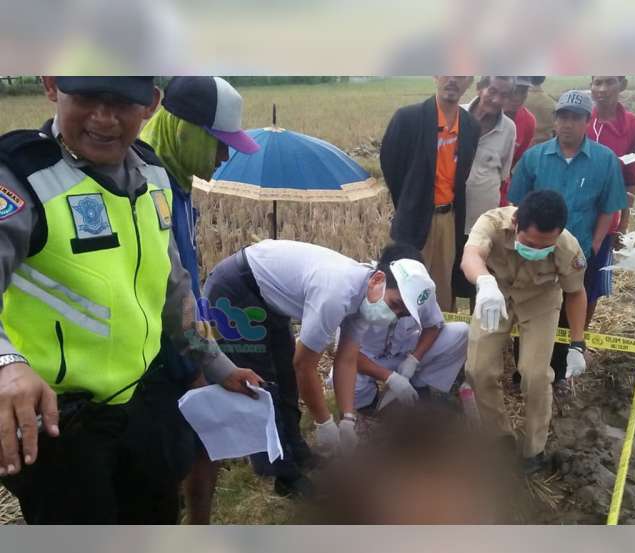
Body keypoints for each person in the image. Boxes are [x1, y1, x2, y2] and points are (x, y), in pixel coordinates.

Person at [0, 76, 261, 524]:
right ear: (50, 85)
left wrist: (218, 365)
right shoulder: (21, 178)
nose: (104, 118)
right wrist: (6, 363)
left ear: (151, 104)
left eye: (122, 102)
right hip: (62, 427)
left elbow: (172, 289)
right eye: (85, 98)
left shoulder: (153, 173)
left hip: (142, 405)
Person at [202, 240, 438, 472]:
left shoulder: (368, 298)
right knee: (263, 383)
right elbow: (305, 366)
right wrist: (324, 423)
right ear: (378, 280)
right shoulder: (336, 294)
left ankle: (298, 454)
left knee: (286, 378)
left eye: (402, 313)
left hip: (269, 299)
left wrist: (347, 419)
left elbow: (346, 359)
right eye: (395, 304)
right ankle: (278, 469)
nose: (393, 315)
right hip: (237, 288)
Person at [139, 76, 260, 524]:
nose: (225, 156)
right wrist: (193, 363)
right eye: (219, 144)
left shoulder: (175, 180)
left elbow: (184, 274)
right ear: (187, 130)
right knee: (163, 464)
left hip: (190, 339)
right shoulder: (142, 185)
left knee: (202, 445)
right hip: (156, 358)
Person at [507, 90, 627, 397]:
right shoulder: (534, 158)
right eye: (562, 117)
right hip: (535, 250)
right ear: (555, 120)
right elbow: (516, 204)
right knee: (530, 307)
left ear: (588, 121)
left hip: (579, 252)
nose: (567, 124)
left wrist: (597, 242)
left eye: (575, 118)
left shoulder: (605, 160)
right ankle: (523, 373)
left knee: (565, 311)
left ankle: (558, 374)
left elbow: (608, 207)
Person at [461, 190, 588, 473]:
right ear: (516, 222)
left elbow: (576, 293)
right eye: (529, 243)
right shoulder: (492, 223)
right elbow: (470, 256)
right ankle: (499, 438)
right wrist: (485, 282)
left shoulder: (567, 247)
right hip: (495, 296)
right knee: (478, 370)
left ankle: (534, 449)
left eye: (545, 246)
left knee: (535, 375)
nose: (537, 250)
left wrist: (578, 344)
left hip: (540, 301)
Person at [380, 76, 479, 312]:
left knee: (441, 292)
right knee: (403, 289)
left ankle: (435, 345)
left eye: (462, 74)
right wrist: (411, 201)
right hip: (413, 219)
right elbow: (391, 167)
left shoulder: (470, 126)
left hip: (449, 220)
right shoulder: (408, 119)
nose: (453, 79)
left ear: (471, 80)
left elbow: (462, 174)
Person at [350, 244, 468, 412]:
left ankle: (421, 385)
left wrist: (413, 360)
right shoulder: (356, 291)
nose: (399, 313)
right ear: (383, 277)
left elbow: (433, 324)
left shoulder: (420, 289)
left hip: (404, 352)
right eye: (396, 303)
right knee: (345, 377)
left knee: (460, 332)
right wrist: (390, 378)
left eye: (406, 309)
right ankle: (368, 406)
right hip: (366, 359)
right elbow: (346, 354)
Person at [586, 76, 635, 327]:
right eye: (596, 82)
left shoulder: (633, 126)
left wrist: (623, 224)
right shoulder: (580, 119)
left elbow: (630, 178)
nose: (601, 90)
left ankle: (579, 338)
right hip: (573, 211)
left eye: (609, 82)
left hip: (607, 218)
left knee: (592, 282)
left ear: (622, 85)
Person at [456, 76, 516, 305]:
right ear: (480, 88)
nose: (497, 99)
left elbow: (503, 174)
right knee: (445, 277)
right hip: (449, 216)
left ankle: (479, 334)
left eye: (504, 95)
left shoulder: (508, 129)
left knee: (481, 279)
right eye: (492, 91)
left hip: (483, 219)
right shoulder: (455, 114)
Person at [499, 76, 537, 206]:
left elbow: (513, 160)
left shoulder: (528, 122)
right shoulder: (485, 111)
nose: (518, 97)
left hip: (501, 186)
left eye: (523, 91)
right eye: (514, 90)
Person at [525, 77, 556, 146]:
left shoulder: (520, 100)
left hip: (524, 146)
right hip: (546, 146)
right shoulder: (550, 101)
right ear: (543, 79)